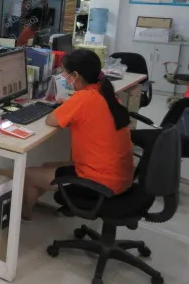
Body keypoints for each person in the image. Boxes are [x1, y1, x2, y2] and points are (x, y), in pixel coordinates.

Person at [22, 49, 134, 221]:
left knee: (29, 175)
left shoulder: (84, 98)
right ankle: (30, 204)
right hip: (121, 176)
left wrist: (69, 107)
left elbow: (51, 120)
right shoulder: (106, 92)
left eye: (64, 73)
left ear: (75, 75)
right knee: (46, 165)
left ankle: (23, 218)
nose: (63, 77)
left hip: (100, 183)